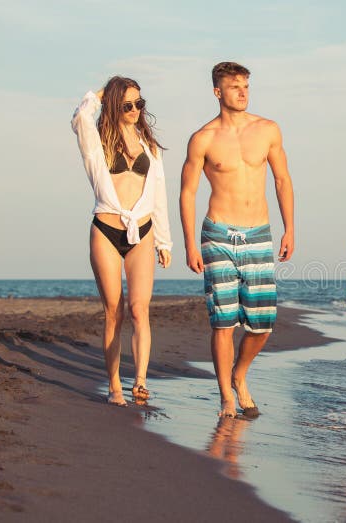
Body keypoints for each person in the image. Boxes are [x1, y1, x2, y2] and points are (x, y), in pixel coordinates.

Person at [180, 61, 294, 419]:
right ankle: (226, 396)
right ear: (218, 92)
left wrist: (290, 227)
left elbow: (282, 180)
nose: (243, 92)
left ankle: (239, 373)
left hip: (258, 233)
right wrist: (188, 243)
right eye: (234, 87)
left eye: (246, 85)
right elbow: (187, 192)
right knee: (223, 320)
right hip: (217, 233)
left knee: (262, 324)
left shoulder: (268, 130)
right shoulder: (204, 138)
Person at [71, 76, 173, 407]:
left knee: (140, 309)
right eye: (126, 104)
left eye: (139, 104)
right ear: (115, 105)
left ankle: (140, 381)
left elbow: (159, 195)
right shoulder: (97, 141)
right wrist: (100, 93)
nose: (134, 110)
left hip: (142, 231)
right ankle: (114, 385)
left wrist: (163, 241)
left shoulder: (149, 146)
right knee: (114, 311)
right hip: (106, 229)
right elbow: (79, 119)